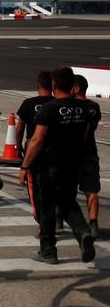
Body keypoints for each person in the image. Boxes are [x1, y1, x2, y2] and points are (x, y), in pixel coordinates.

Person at [18, 67, 96, 265]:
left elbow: (37, 140)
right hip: (73, 164)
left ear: (54, 85)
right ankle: (83, 232)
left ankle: (49, 250)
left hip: (50, 165)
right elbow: (87, 135)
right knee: (69, 203)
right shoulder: (84, 109)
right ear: (73, 85)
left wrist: (25, 166)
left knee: (47, 208)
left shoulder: (50, 108)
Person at [15, 71, 54, 232]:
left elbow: (19, 129)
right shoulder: (57, 103)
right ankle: (54, 218)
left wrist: (19, 148)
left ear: (37, 86)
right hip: (56, 151)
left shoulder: (29, 103)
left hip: (35, 151)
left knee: (35, 189)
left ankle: (43, 226)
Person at [73, 74, 101, 239]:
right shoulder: (94, 107)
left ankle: (59, 219)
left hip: (71, 154)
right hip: (90, 151)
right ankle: (94, 223)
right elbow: (93, 127)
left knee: (63, 189)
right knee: (91, 190)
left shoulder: (70, 106)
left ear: (76, 89)